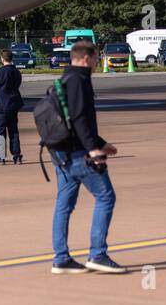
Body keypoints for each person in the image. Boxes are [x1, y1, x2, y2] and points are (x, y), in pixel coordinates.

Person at [48, 42, 125, 274]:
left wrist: (102, 143)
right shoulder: (80, 80)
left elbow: (72, 119)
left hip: (60, 152)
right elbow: (80, 119)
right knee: (105, 197)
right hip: (78, 152)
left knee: (64, 205)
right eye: (95, 58)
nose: (97, 62)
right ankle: (97, 254)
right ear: (86, 59)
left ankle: (61, 258)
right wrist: (94, 149)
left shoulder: (65, 79)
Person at [0, 48, 24, 164]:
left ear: (2, 59)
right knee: (14, 131)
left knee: (0, 131)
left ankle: (0, 156)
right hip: (13, 104)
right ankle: (17, 154)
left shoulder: (1, 72)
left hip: (2, 105)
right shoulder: (16, 72)